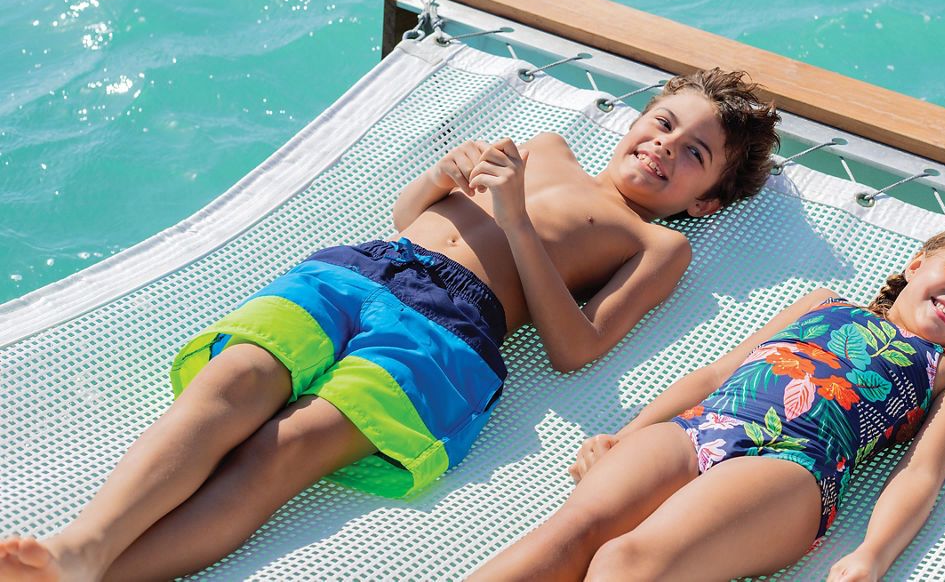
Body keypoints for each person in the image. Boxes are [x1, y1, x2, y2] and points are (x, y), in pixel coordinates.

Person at [0, 68, 780, 582]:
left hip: (447, 332)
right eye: (662, 122)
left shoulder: (658, 242)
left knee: (287, 448)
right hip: (360, 269)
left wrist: (512, 219)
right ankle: (83, 545)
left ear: (705, 200)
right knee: (228, 384)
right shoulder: (545, 147)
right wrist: (440, 177)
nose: (663, 147)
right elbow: (415, 217)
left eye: (693, 155)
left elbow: (575, 348)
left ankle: (95, 579)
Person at [470, 223, 945, 582]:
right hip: (702, 424)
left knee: (627, 562)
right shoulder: (823, 301)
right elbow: (718, 373)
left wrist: (873, 555)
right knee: (568, 535)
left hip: (792, 466)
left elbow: (922, 472)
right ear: (917, 264)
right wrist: (629, 433)